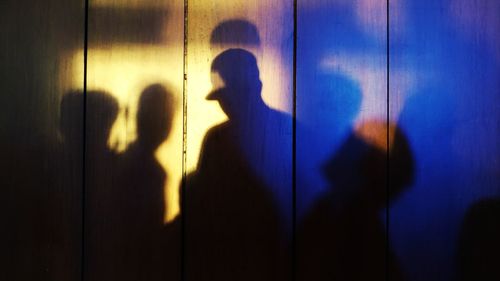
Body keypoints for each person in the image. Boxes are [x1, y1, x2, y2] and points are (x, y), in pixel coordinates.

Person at [183, 48, 288, 281]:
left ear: (255, 87)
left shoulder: (217, 139)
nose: (225, 104)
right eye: (223, 97)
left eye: (229, 95)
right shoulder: (287, 130)